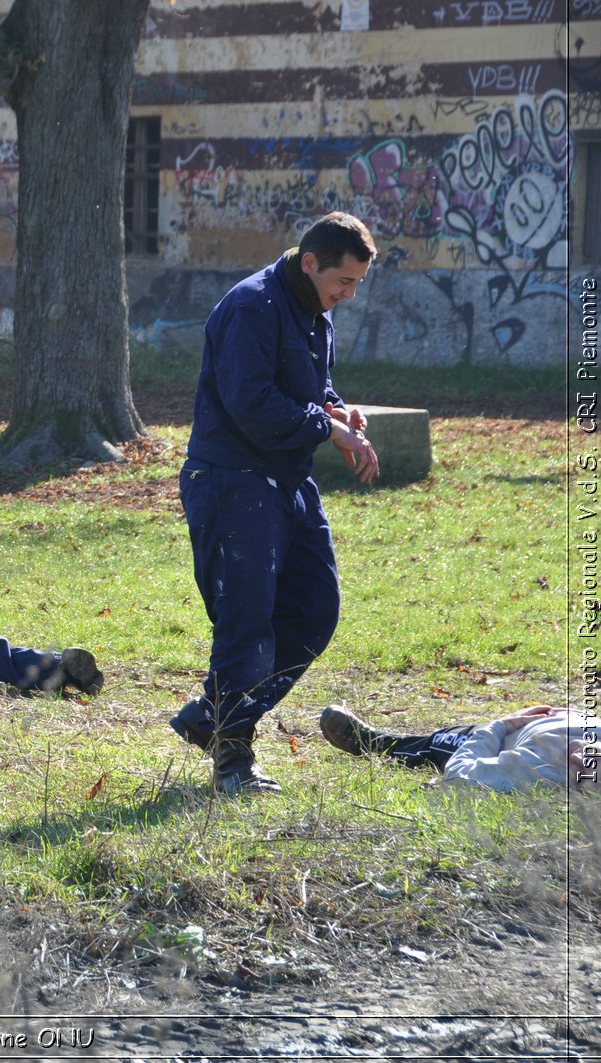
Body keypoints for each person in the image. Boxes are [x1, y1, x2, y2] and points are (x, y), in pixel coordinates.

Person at [169, 212, 382, 797]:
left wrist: (337, 411)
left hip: (285, 481)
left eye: (358, 284)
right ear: (310, 263)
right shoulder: (250, 308)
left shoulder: (316, 312)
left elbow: (309, 390)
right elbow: (253, 403)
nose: (349, 295)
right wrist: (327, 428)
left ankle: (212, 716)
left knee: (315, 609)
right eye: (344, 281)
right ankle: (232, 761)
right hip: (232, 481)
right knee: (247, 620)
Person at [319, 705, 601, 792]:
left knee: (441, 742)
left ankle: (373, 742)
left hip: (512, 733)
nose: (581, 754)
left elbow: (460, 773)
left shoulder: (538, 770)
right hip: (556, 712)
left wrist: (497, 727)